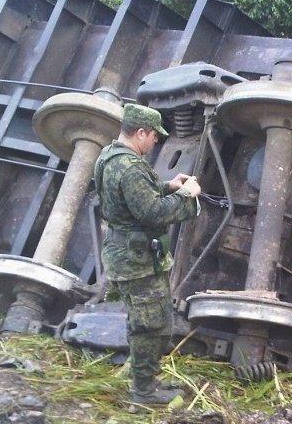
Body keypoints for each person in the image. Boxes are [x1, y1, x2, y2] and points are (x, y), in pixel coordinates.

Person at [94, 104, 201, 405]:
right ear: (141, 132)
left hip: (125, 254)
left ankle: (145, 380)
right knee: (150, 326)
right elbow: (152, 212)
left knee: (145, 321)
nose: (156, 141)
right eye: (154, 135)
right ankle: (143, 392)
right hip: (137, 262)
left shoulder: (110, 157)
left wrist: (168, 185)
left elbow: (134, 199)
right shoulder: (130, 167)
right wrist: (186, 196)